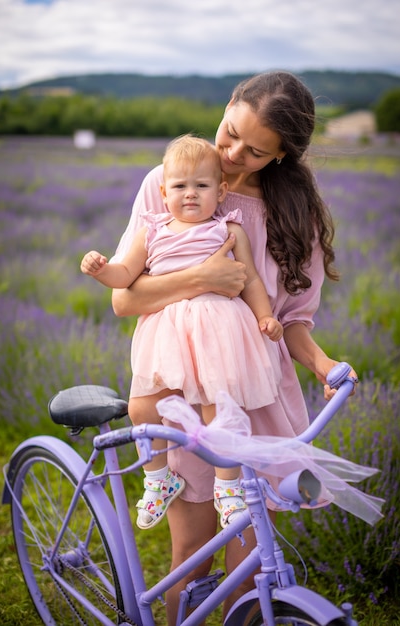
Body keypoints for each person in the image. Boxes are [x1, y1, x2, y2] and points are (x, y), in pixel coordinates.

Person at [109, 71, 359, 624]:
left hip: (256, 397)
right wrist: (206, 276)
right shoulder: (169, 180)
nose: (231, 154)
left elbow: (293, 320)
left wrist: (323, 364)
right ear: (225, 108)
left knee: (250, 563)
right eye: (230, 133)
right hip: (186, 391)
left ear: (281, 156)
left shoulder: (296, 216)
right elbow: (125, 301)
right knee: (189, 557)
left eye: (254, 151)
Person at [81, 134, 283, 532]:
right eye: (179, 186)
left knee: (218, 407)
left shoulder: (228, 230)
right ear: (163, 191)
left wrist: (265, 316)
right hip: (167, 334)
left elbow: (252, 281)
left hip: (218, 334)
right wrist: (102, 269)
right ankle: (158, 478)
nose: (190, 194)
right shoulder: (152, 231)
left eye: (202, 186)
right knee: (141, 407)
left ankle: (228, 486)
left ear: (221, 191)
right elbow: (125, 276)